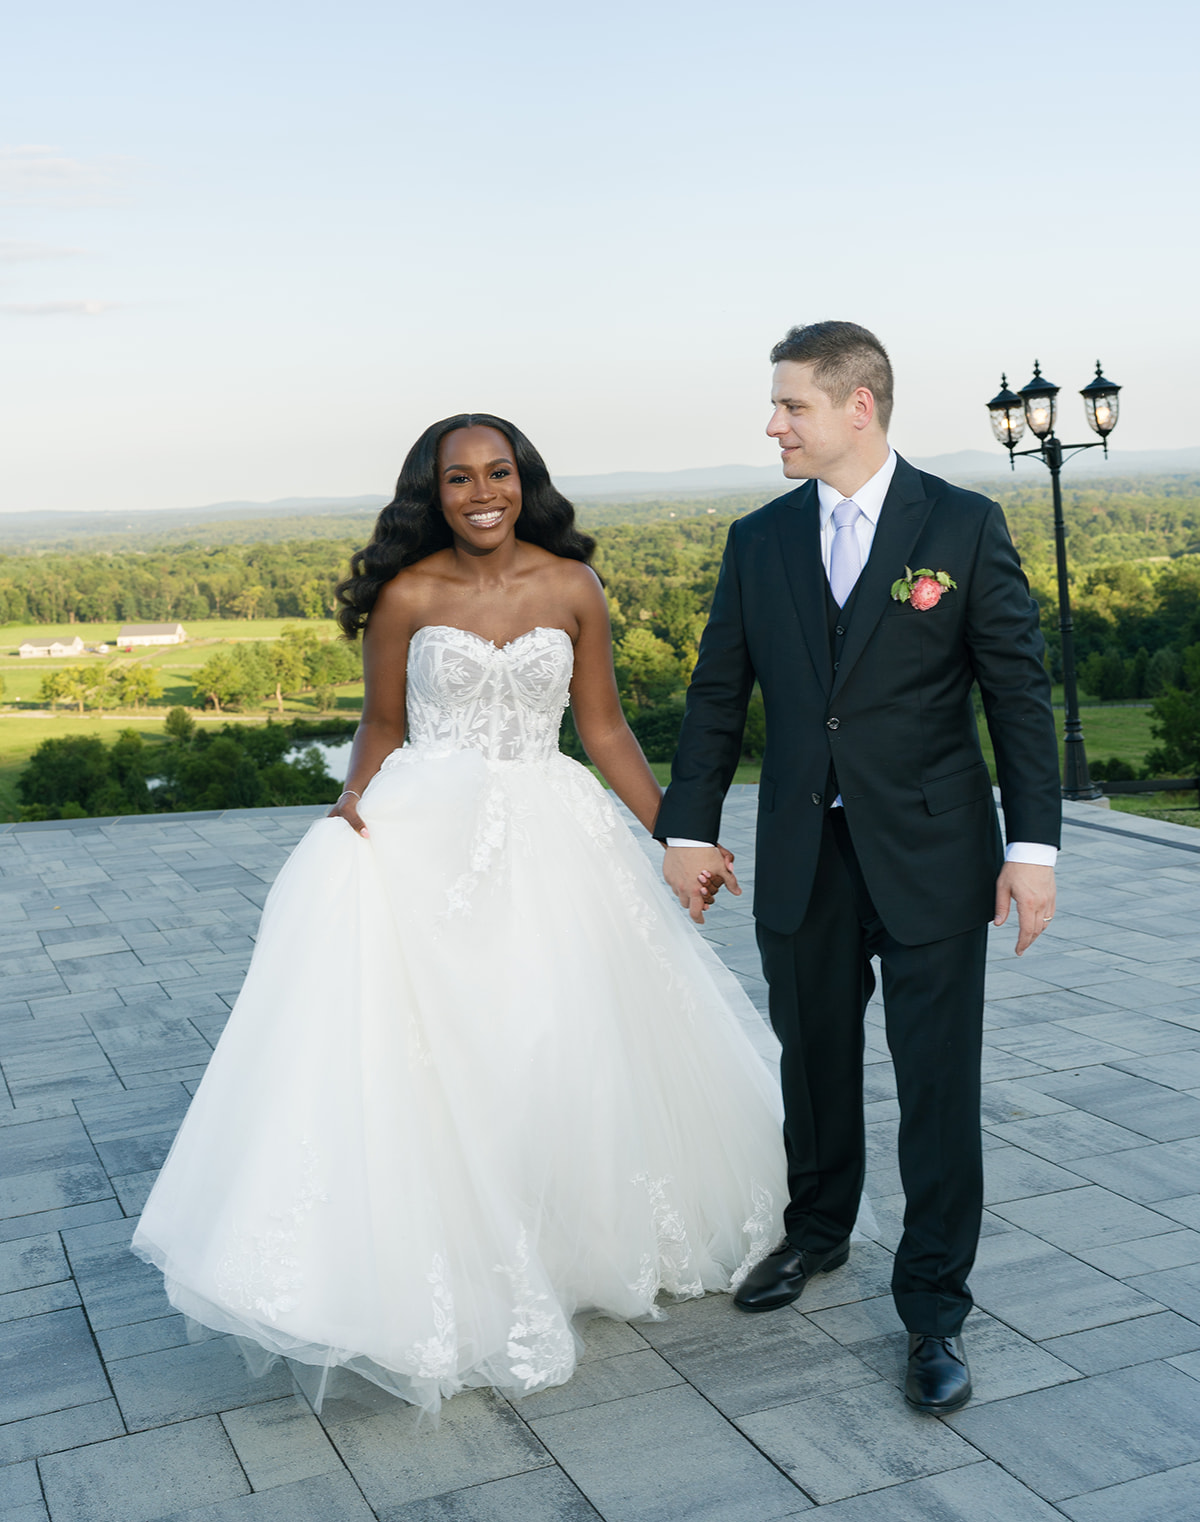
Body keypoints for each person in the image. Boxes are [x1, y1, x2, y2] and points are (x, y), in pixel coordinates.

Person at [132, 412, 788, 1413]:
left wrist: (676, 834)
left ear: (524, 479)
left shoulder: (573, 587)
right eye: (458, 478)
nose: (483, 491)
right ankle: (458, 1255)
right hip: (426, 835)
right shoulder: (407, 594)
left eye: (499, 472)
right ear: (431, 492)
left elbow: (604, 730)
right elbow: (384, 723)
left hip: (553, 832)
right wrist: (353, 802)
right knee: (443, 1050)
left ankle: (562, 1245)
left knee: (555, 1039)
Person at [656, 323, 1061, 1415]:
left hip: (932, 854)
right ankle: (817, 1234)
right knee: (813, 1061)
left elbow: (1016, 696)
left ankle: (934, 1308)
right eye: (777, 405)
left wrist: (1032, 848)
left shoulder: (964, 528)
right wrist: (687, 828)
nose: (774, 423)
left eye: (791, 405)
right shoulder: (759, 540)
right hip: (802, 851)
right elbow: (714, 696)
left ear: (858, 408)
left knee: (937, 1088)